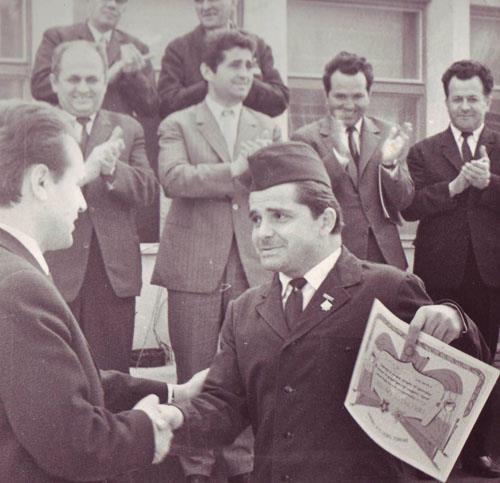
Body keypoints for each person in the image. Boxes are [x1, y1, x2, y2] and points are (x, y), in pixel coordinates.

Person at [160, 141, 487, 483]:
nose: (262, 234)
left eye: (279, 216)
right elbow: (223, 405)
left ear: (326, 220)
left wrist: (455, 320)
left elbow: (464, 382)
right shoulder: (244, 311)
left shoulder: (387, 289)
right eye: (256, 219)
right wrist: (172, 418)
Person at [0, 99, 206, 482]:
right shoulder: (19, 287)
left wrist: (175, 393)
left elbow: (63, 384)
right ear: (40, 182)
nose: (81, 203)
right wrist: (146, 428)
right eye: (75, 183)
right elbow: (72, 442)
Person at [151, 30, 281, 482]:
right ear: (207, 70)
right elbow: (173, 178)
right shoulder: (178, 123)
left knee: (246, 366)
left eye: (251, 65)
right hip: (194, 266)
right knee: (194, 369)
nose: (246, 74)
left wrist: (261, 171)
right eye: (235, 65)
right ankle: (196, 466)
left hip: (251, 263)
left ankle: (241, 464)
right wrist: (234, 170)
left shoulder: (267, 126)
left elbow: (277, 188)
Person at [402, 59, 500, 479]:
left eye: (472, 98)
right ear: (446, 102)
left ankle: (476, 453)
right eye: (457, 99)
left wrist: (488, 184)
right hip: (439, 275)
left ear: (487, 100)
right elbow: (409, 206)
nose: (465, 106)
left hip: (489, 274)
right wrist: (455, 187)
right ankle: (430, 450)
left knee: (482, 361)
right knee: (435, 360)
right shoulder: (423, 151)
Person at [44, 40, 158, 373]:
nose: (83, 88)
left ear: (105, 82)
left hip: (113, 275)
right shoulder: (39, 127)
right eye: (73, 79)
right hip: (56, 270)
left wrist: (112, 170)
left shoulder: (128, 128)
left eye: (92, 79)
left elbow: (148, 190)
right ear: (54, 82)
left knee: (112, 377)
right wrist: (85, 171)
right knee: (57, 375)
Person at [291, 51, 414, 270]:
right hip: (332, 256)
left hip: (385, 257)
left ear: (369, 94)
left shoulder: (388, 133)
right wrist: (337, 159)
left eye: (357, 96)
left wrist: (389, 165)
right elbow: (305, 199)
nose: (349, 105)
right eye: (340, 96)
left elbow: (404, 201)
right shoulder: (305, 138)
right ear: (327, 95)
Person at [158, 0, 288, 119]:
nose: (205, 7)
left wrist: (242, 81)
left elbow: (280, 102)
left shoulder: (257, 45)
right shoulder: (178, 49)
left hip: (248, 134)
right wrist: (214, 84)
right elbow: (166, 105)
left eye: (213, 0)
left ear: (234, 3)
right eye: (199, 1)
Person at [31, 0, 157, 118]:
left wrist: (133, 75)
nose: (112, 4)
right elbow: (39, 88)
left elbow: (150, 107)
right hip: (67, 126)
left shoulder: (136, 48)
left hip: (115, 130)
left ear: (124, 7)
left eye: (120, 0)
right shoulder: (58, 37)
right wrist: (107, 76)